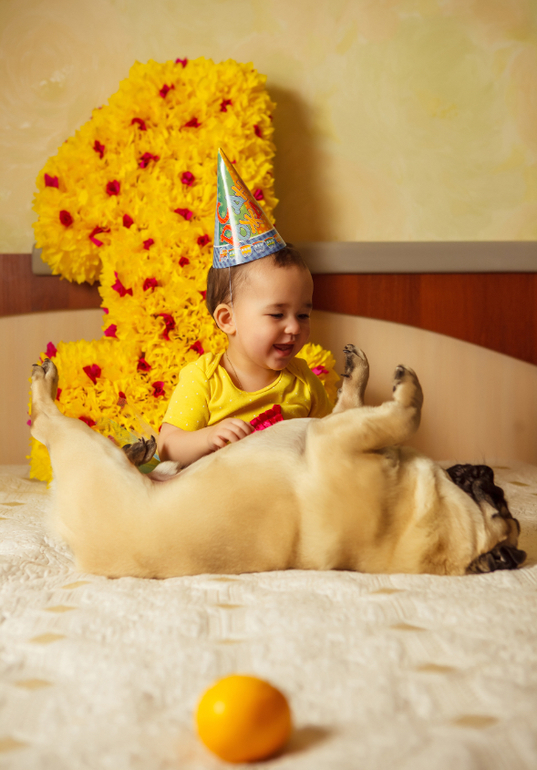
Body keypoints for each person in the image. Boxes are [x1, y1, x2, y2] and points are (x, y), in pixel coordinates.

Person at [157, 151, 332, 466]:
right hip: (220, 486)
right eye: (277, 314)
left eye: (303, 314)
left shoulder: (304, 383)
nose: (294, 327)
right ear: (227, 319)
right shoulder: (205, 379)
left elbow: (330, 443)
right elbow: (167, 447)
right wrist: (207, 437)